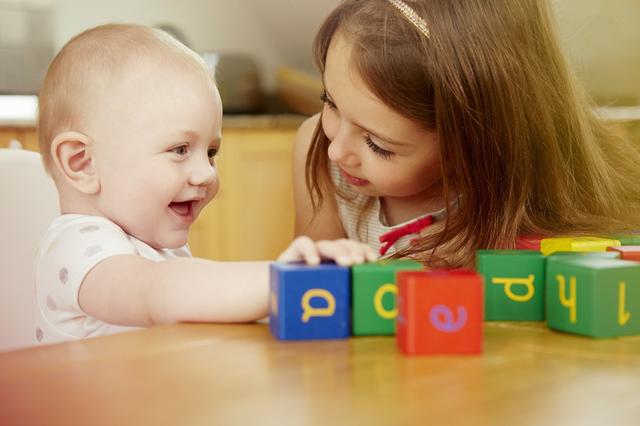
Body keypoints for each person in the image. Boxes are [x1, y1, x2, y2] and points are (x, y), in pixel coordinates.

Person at [34, 24, 376, 344]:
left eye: (211, 152)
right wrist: (284, 280)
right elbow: (159, 293)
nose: (207, 174)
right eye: (180, 150)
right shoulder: (77, 247)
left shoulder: (151, 247)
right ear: (82, 162)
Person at [293, 0, 640, 269]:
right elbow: (313, 287)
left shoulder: (548, 195)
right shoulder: (319, 151)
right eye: (331, 103)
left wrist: (480, 266)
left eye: (377, 145)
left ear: (473, 144)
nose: (337, 151)